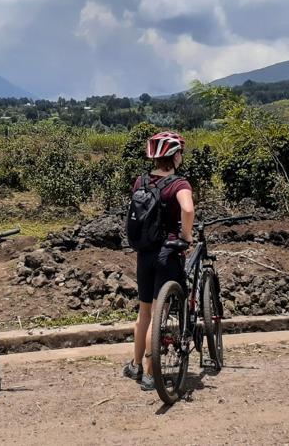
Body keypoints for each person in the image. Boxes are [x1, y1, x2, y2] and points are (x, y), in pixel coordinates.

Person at [123, 131, 195, 391]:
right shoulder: (179, 184)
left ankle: (135, 365)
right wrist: (186, 236)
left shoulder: (140, 181)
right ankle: (151, 374)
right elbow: (187, 209)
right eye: (180, 153)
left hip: (145, 253)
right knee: (159, 313)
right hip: (168, 254)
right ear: (174, 156)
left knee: (143, 313)